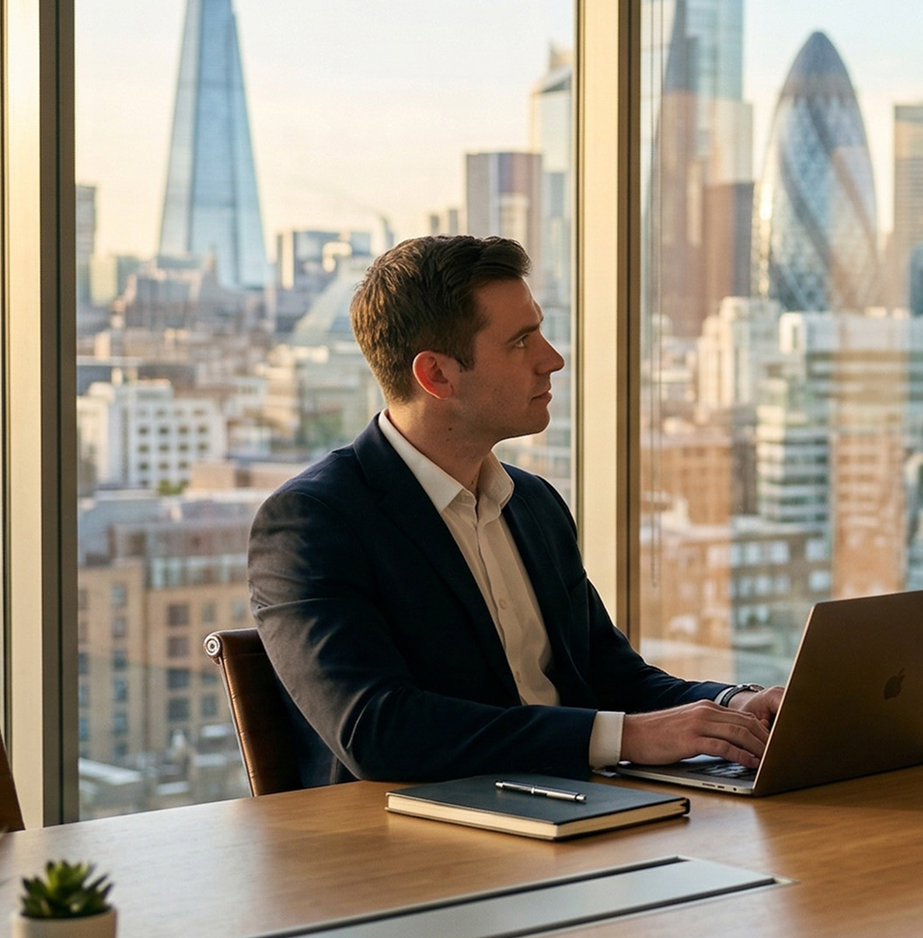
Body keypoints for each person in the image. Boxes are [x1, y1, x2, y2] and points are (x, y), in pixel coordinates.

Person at [250, 235, 785, 785]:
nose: (551, 359)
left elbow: (612, 677)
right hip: (420, 844)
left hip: (572, 806)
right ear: (436, 375)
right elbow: (379, 730)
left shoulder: (533, 503)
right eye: (521, 341)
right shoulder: (311, 522)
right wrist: (625, 737)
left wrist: (732, 706)